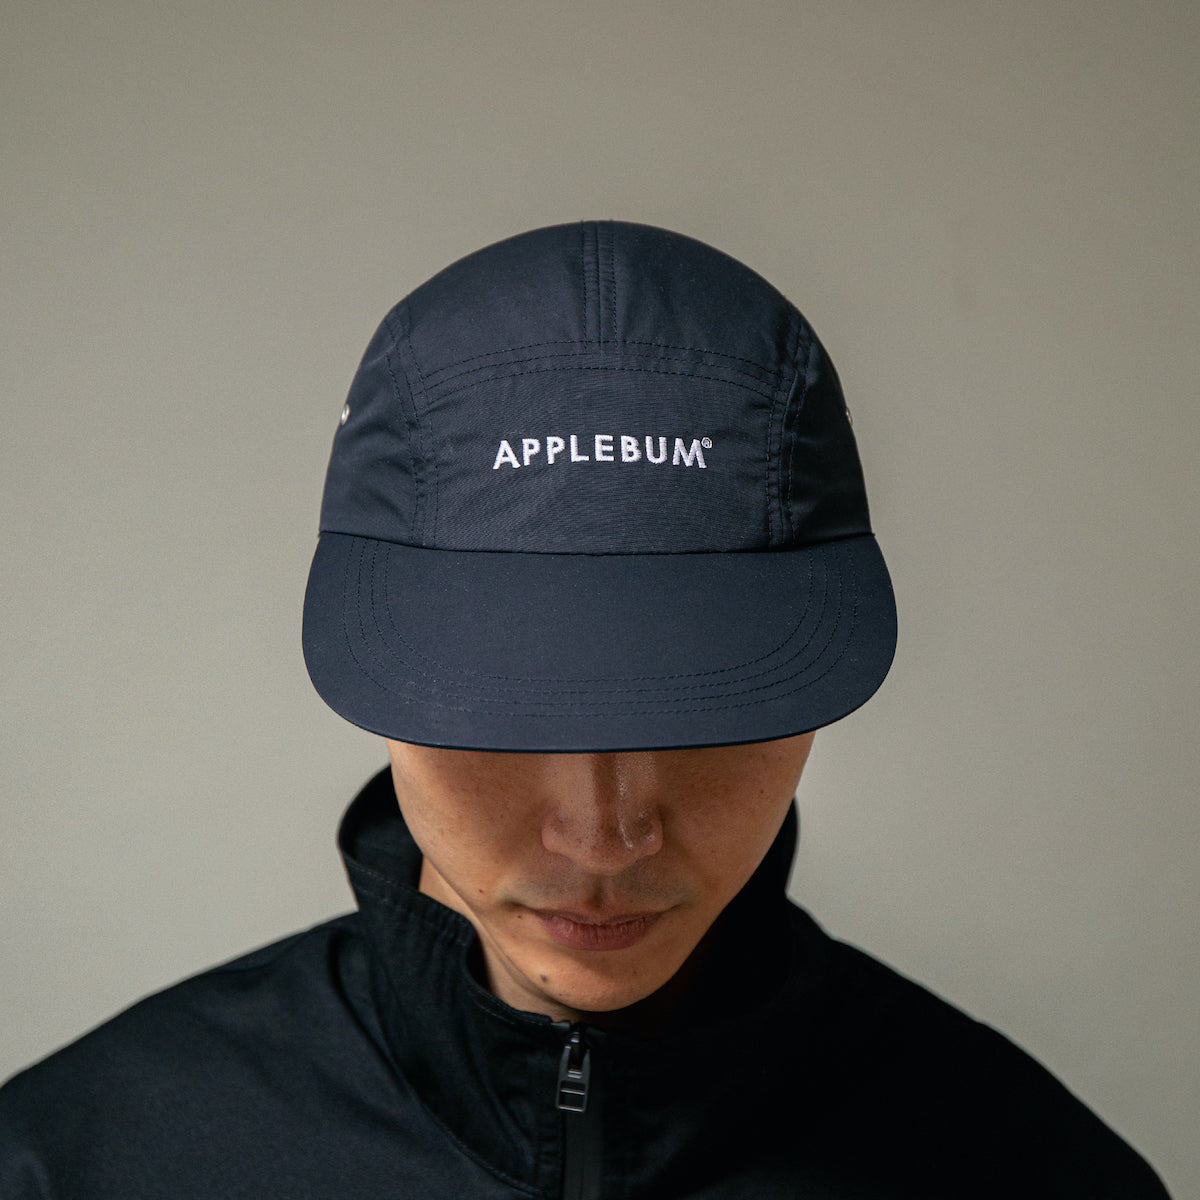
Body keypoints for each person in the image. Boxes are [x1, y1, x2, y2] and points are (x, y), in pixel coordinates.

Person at [0, 222, 1169, 1198]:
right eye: (506, 710)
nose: (605, 838)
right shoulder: (73, 1163)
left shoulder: (1038, 1175)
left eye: (703, 709)